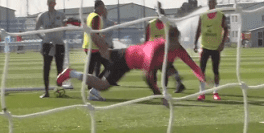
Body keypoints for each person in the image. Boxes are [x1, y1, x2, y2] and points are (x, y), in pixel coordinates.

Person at [58, 26, 205, 106]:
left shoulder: (178, 48)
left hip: (128, 54)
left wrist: (202, 78)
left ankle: (86, 29)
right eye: (172, 42)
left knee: (104, 52)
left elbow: (192, 65)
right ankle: (71, 73)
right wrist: (159, 95)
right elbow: (147, 76)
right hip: (126, 60)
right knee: (103, 84)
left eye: (176, 41)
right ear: (167, 39)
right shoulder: (157, 48)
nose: (174, 45)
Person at [193, 0, 228, 101]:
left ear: (216, 3)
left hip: (216, 48)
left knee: (215, 71)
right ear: (207, 3)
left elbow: (226, 29)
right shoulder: (202, 15)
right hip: (205, 47)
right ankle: (201, 93)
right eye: (209, 2)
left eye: (213, 2)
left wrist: (222, 44)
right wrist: (195, 43)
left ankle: (216, 92)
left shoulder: (221, 15)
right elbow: (198, 30)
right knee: (201, 71)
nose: (211, 3)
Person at [146, 4, 186, 93]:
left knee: (165, 70)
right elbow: (147, 38)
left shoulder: (168, 23)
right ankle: (178, 83)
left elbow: (177, 33)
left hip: (165, 51)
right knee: (158, 71)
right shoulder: (151, 24)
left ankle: (164, 90)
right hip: (154, 51)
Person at [35, 0, 68, 98]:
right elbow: (36, 29)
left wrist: (60, 34)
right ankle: (46, 91)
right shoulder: (42, 15)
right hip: (48, 44)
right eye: (50, 2)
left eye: (53, 2)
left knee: (60, 68)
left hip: (59, 43)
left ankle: (59, 90)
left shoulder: (61, 15)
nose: (51, 4)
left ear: (55, 3)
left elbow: (66, 26)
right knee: (46, 67)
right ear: (47, 3)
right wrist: (44, 39)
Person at [81, 0, 112, 101]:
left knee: (91, 69)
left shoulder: (90, 15)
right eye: (103, 7)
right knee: (108, 66)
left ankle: (92, 90)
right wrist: (103, 45)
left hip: (89, 46)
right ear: (98, 7)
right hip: (94, 47)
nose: (104, 10)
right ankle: (94, 90)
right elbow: (94, 34)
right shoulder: (96, 17)